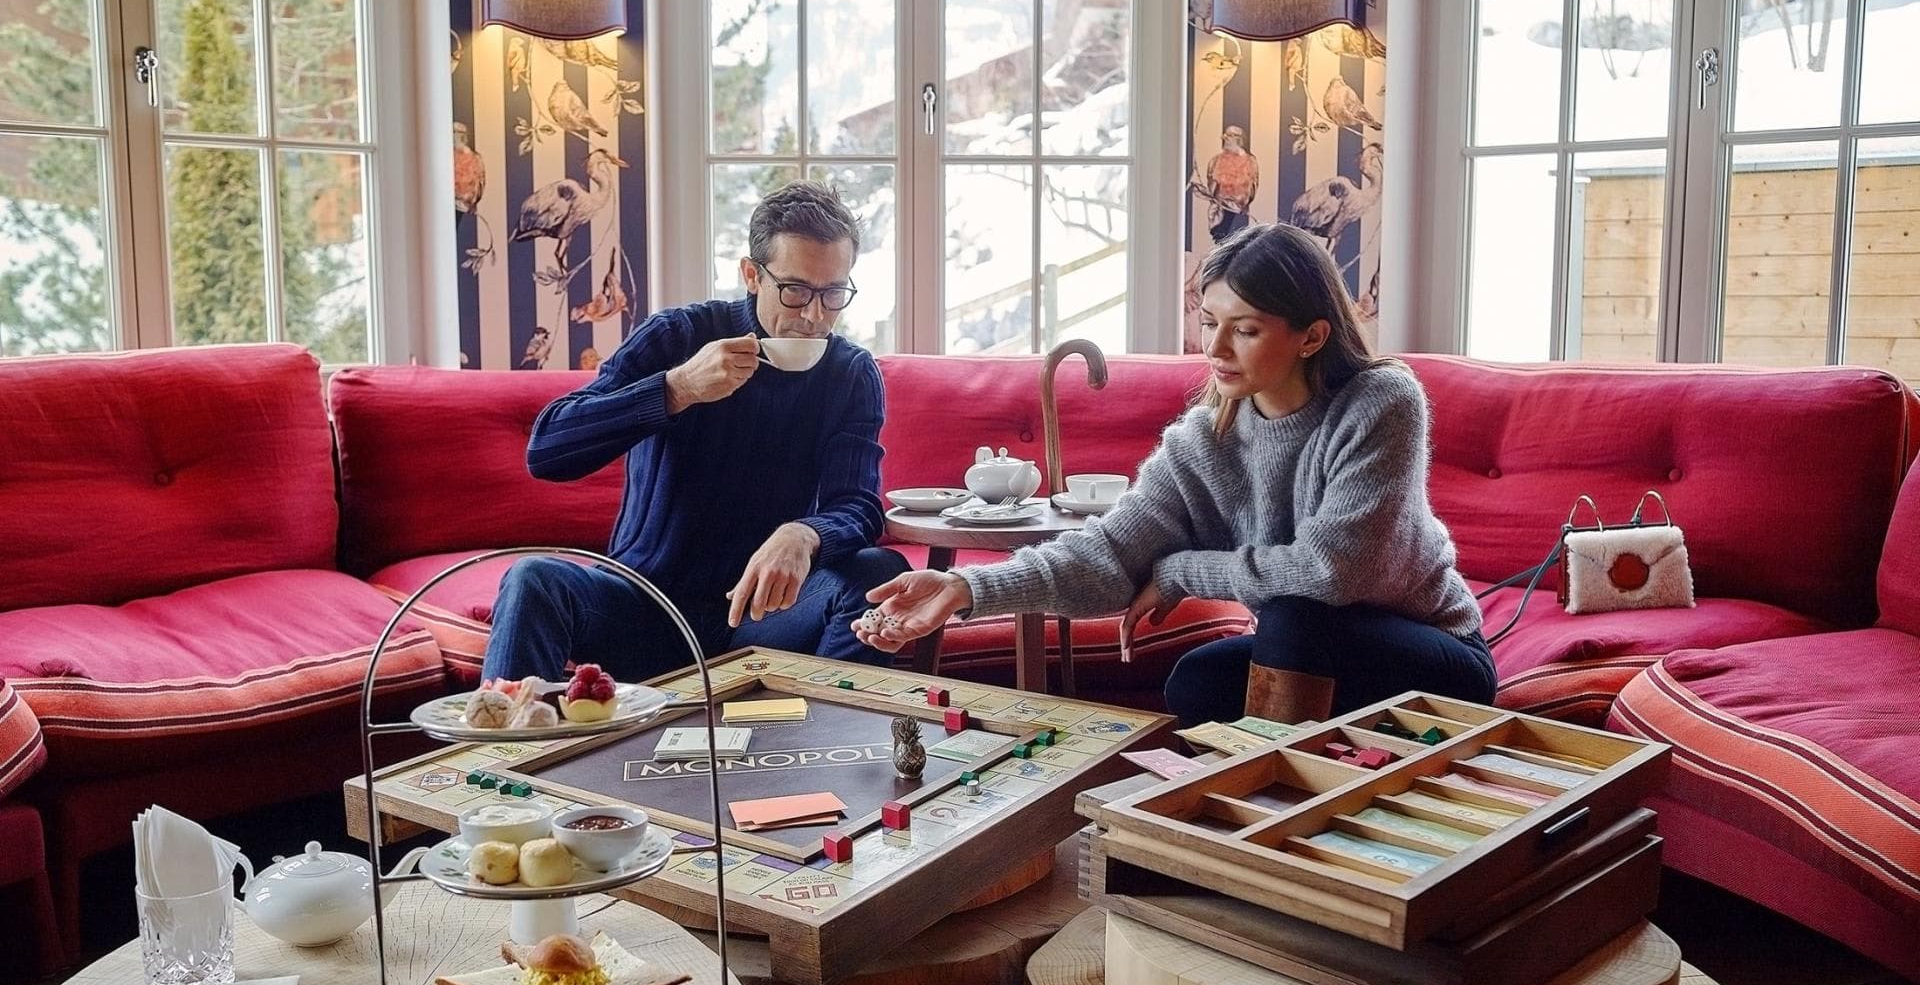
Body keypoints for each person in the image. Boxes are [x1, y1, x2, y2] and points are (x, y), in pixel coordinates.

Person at [852, 222, 1495, 725]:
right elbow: (1107, 553)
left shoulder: (1382, 401)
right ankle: (1278, 801)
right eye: (1209, 323)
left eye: (1243, 330)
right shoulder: (1202, 440)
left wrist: (1181, 571)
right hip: (1310, 652)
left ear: (1311, 335)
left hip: (1436, 653)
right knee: (1197, 679)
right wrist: (964, 590)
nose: (1213, 349)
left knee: (1296, 615)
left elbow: (1332, 571)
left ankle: (1271, 817)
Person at [484, 181, 907, 684]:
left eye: (834, 293)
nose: (815, 316)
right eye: (795, 291)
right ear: (752, 275)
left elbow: (859, 506)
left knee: (879, 572)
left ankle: (820, 741)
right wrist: (676, 388)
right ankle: (504, 759)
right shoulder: (678, 336)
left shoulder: (850, 372)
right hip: (646, 611)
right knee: (533, 579)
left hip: (763, 619)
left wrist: (805, 533)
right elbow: (548, 451)